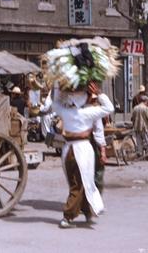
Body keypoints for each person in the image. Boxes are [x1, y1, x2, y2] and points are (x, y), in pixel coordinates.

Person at [53, 81, 113, 228]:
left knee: (78, 182)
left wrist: (56, 85)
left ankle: (86, 211)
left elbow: (55, 103)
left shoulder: (65, 112)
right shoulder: (88, 112)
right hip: (83, 150)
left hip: (67, 150)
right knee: (81, 183)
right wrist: (99, 93)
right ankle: (67, 217)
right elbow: (109, 108)